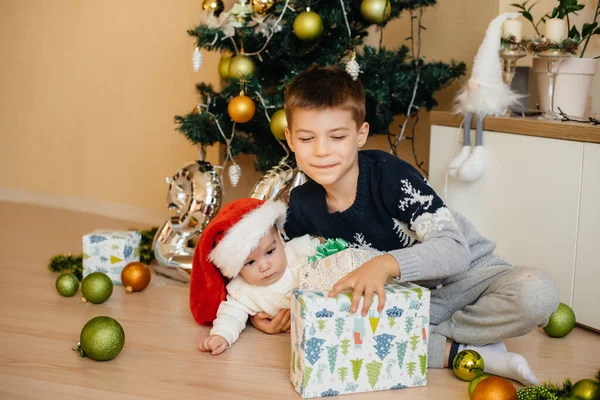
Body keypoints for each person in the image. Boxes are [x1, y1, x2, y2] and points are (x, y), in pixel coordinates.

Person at [252, 65, 558, 385]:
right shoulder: (301, 203)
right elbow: (267, 258)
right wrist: (258, 312)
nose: (321, 150)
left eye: (337, 136)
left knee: (536, 292)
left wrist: (387, 263)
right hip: (402, 301)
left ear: (360, 134)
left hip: (469, 278)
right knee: (337, 326)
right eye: (306, 138)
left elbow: (455, 251)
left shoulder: (389, 175)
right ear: (289, 138)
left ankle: (436, 344)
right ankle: (462, 348)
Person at [190, 198, 319, 355]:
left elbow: (333, 253)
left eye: (270, 252)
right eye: (250, 262)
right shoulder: (243, 290)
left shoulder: (300, 252)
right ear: (236, 268)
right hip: (290, 347)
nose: (264, 266)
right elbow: (230, 315)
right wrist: (221, 335)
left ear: (280, 238)